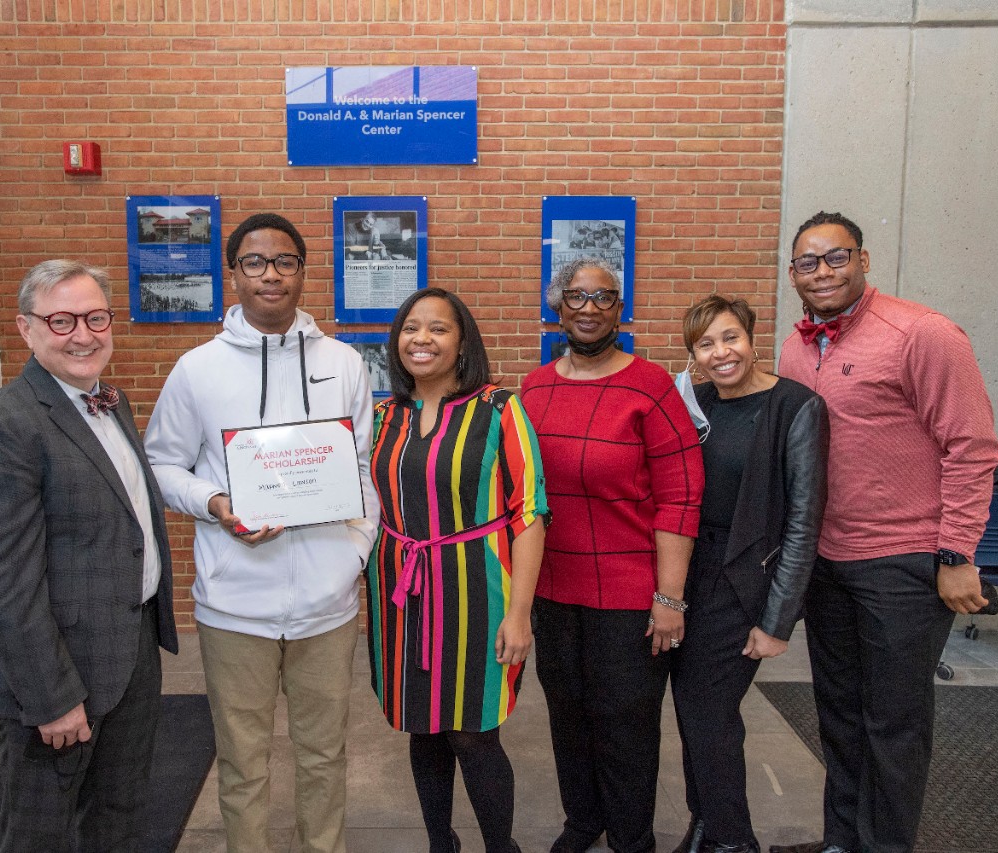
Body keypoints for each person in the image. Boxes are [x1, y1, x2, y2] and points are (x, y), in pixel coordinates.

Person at [770, 211, 998, 853]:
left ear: (864, 260)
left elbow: (974, 447)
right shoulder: (797, 346)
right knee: (839, 716)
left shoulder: (922, 334)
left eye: (835, 258)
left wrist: (957, 552)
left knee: (893, 723)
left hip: (903, 563)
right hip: (826, 560)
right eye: (807, 263)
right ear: (793, 275)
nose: (821, 272)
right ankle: (842, 840)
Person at [145, 213, 379, 853]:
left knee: (324, 756)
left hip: (328, 608)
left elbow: (362, 469)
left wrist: (353, 556)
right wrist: (215, 501)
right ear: (233, 273)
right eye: (254, 262)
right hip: (234, 606)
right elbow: (161, 465)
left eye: (284, 262)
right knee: (243, 763)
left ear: (303, 272)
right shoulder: (197, 370)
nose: (269, 274)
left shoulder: (344, 363)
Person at [0, 259, 178, 850]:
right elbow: (1, 586)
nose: (83, 333)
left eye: (95, 317)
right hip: (58, 676)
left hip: (129, 652)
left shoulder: (108, 401)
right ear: (26, 330)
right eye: (62, 320)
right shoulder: (3, 428)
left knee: (119, 818)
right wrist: (52, 698)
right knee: (40, 835)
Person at [520, 258, 704, 853]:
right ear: (558, 307)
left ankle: (630, 836)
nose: (590, 308)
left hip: (628, 594)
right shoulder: (534, 386)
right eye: (577, 296)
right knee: (567, 716)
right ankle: (583, 820)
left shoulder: (649, 386)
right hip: (552, 588)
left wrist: (669, 599)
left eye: (604, 297)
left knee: (625, 726)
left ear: (619, 308)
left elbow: (680, 498)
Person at [367, 287, 547, 853]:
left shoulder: (499, 408)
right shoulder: (381, 415)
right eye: (411, 328)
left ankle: (501, 846)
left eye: (439, 328)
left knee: (473, 731)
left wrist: (520, 615)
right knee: (422, 727)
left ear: (462, 340)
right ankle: (440, 843)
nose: (422, 339)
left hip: (478, 592)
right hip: (400, 590)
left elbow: (531, 513)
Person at [669, 296, 829, 853]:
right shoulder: (696, 403)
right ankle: (708, 824)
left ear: (752, 337)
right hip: (685, 575)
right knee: (693, 712)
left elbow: (805, 520)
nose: (720, 353)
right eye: (706, 344)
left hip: (741, 585)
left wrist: (778, 620)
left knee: (709, 712)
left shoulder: (795, 406)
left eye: (730, 337)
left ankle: (732, 839)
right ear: (693, 354)